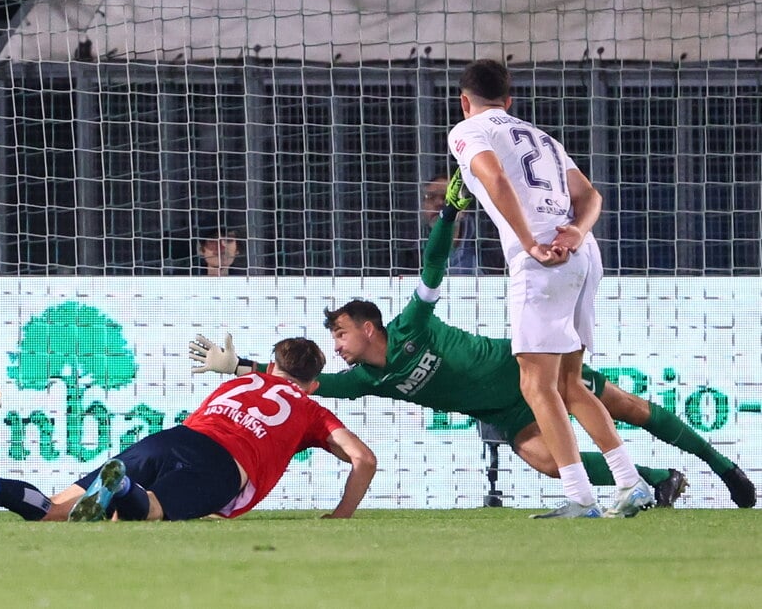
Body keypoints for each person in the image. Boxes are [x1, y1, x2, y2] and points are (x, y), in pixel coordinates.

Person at [189, 181, 757, 512]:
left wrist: (450, 212)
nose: (335, 346)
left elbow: (434, 265)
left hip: (528, 371)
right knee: (543, 460)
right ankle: (657, 480)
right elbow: (303, 384)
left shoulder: (412, 323)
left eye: (339, 333)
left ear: (367, 328)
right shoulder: (368, 378)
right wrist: (237, 365)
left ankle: (721, 465)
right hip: (504, 412)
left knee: (627, 408)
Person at [443, 59, 654, 518]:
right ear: (510, 99)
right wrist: (577, 232)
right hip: (582, 254)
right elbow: (591, 197)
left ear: (464, 101)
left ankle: (580, 497)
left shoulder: (467, 131)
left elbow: (494, 177)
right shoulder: (542, 137)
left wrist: (529, 244)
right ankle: (631, 482)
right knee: (570, 382)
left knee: (535, 383)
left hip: (542, 261)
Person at [0, 337, 377, 522]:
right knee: (149, 511)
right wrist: (340, 516)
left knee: (58, 510)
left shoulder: (244, 380)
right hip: (225, 465)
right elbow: (363, 460)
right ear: (313, 384)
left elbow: (258, 375)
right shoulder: (311, 409)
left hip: (174, 437)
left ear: (274, 366)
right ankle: (120, 486)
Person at [421, 173, 477, 275]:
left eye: (447, 197)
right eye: (430, 197)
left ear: (464, 209)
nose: (439, 203)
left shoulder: (487, 253)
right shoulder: (409, 256)